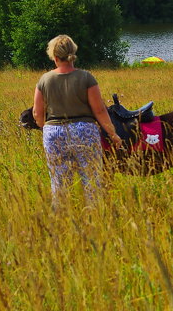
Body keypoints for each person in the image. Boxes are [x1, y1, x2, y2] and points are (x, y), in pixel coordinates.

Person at [33, 34, 121, 204]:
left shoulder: (44, 80)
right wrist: (113, 134)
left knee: (59, 184)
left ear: (55, 57)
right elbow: (100, 110)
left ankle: (60, 221)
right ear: (73, 53)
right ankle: (94, 219)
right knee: (91, 181)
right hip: (84, 131)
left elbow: (37, 113)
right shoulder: (86, 77)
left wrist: (47, 129)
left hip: (54, 132)